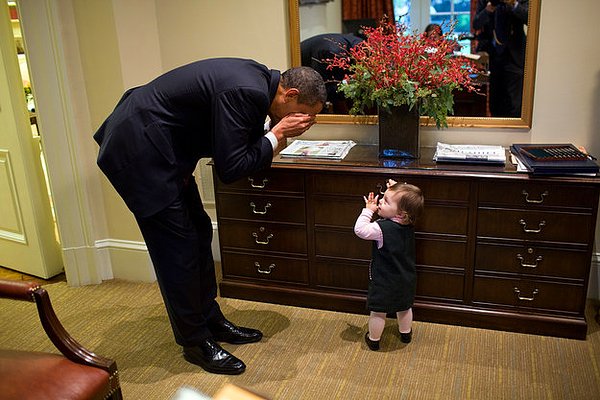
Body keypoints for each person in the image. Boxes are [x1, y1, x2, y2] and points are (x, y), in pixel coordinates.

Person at [93, 58, 326, 375]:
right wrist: (277, 135)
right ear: (291, 93)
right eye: (304, 115)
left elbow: (227, 139)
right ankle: (194, 342)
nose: (303, 123)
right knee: (178, 251)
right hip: (140, 150)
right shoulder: (247, 90)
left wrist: (273, 131)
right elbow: (230, 168)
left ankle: (210, 319)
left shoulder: (259, 84)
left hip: (167, 147)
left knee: (199, 232)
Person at [353, 179, 424, 351]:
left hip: (384, 281)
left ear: (400, 214)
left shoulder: (380, 229)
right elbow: (407, 200)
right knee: (404, 307)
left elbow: (360, 230)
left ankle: (374, 339)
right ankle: (405, 333)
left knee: (378, 311)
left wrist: (367, 211)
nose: (380, 202)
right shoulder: (408, 223)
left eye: (385, 201)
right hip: (406, 278)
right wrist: (394, 188)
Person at [473, 0, 529, 117]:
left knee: (515, 104)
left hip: (515, 56)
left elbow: (529, 19)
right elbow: (476, 23)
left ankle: (515, 134)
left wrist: (513, 4)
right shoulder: (485, 1)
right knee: (495, 103)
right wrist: (488, 10)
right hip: (494, 56)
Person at [301, 33, 364, 114]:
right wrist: (351, 80)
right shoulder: (334, 54)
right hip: (303, 83)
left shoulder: (359, 44)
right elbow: (324, 91)